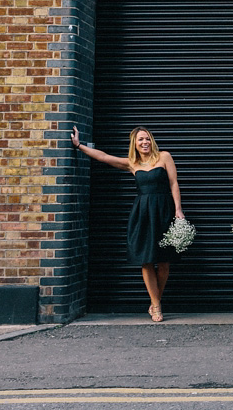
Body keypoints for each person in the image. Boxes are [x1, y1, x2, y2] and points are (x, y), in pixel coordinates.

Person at [71, 125, 184, 322]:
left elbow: (174, 183)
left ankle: (156, 299)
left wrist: (178, 209)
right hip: (142, 213)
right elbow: (104, 157)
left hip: (164, 210)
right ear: (135, 144)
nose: (145, 142)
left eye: (147, 139)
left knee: (165, 261)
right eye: (140, 140)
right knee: (147, 259)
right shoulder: (132, 163)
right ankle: (156, 305)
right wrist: (79, 145)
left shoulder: (164, 157)